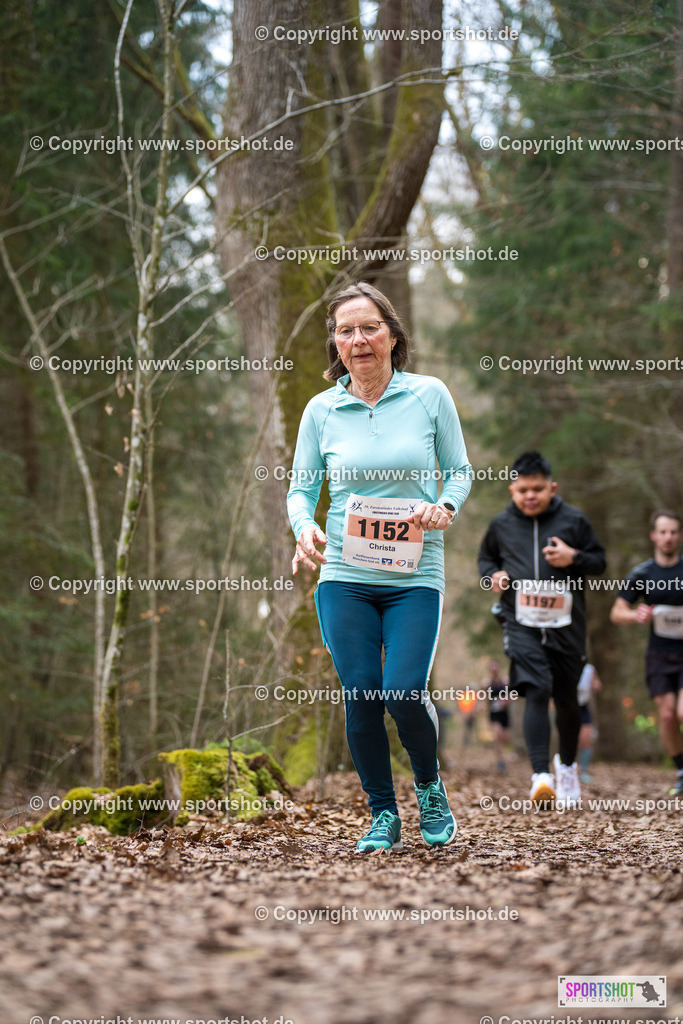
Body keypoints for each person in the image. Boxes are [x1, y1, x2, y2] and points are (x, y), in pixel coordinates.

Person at [287, 282, 472, 851]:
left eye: (369, 327)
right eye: (346, 330)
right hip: (344, 573)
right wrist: (304, 527)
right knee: (362, 691)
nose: (358, 339)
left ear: (392, 335)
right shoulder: (322, 409)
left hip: (415, 576)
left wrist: (443, 507)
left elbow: (460, 471)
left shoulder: (429, 395)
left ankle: (431, 789)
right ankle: (383, 815)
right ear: (335, 344)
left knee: (403, 690)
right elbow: (300, 490)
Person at [478, 451, 606, 809]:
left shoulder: (573, 520)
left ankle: (565, 767)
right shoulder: (501, 525)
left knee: (566, 699)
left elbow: (599, 561)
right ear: (512, 490)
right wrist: (494, 577)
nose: (530, 496)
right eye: (522, 490)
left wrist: (574, 557)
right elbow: (486, 561)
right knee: (536, 688)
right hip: (521, 622)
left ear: (552, 487)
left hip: (567, 625)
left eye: (537, 489)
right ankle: (540, 777)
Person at [610, 510, 683, 795]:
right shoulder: (643, 573)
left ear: (679, 536)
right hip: (659, 654)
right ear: (654, 535)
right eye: (663, 532)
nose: (668, 537)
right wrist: (636, 615)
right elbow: (617, 612)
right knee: (666, 716)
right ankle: (680, 769)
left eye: (674, 532)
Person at [576, 662, 601, 782]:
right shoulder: (562, 662)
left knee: (585, 739)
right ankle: (567, 768)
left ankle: (583, 770)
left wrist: (595, 685)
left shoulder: (589, 669)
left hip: (583, 707)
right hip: (566, 706)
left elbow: (597, 684)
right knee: (570, 739)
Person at [486, 659, 511, 772]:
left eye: (496, 666)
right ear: (490, 669)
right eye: (492, 667)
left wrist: (506, 701)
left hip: (504, 714)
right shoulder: (486, 683)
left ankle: (503, 757)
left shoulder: (505, 682)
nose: (494, 669)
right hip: (494, 714)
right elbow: (483, 698)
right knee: (497, 735)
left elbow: (512, 696)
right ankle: (500, 760)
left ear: (499, 668)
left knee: (505, 739)